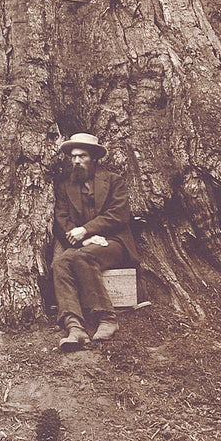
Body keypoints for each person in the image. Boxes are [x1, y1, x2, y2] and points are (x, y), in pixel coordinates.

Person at [52, 133, 139, 351]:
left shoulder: (113, 181)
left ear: (94, 158)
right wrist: (83, 237)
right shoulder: (65, 187)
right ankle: (75, 327)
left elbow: (119, 215)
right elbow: (61, 218)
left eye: (82, 156)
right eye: (73, 157)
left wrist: (87, 230)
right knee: (60, 263)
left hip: (114, 242)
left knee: (84, 256)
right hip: (85, 243)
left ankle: (108, 319)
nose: (77, 161)